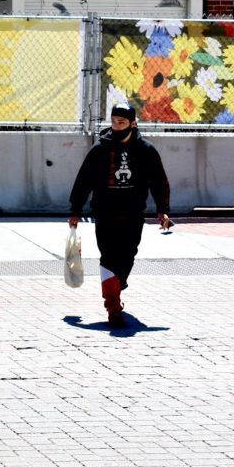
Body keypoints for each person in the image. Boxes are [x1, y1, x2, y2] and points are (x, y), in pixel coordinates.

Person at [68, 104, 172, 328]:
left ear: (133, 124)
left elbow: (159, 181)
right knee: (108, 258)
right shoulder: (100, 150)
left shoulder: (146, 150)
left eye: (122, 123)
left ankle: (116, 284)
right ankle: (113, 308)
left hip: (133, 215)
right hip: (105, 214)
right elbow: (83, 180)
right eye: (114, 122)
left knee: (127, 259)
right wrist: (75, 210)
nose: (116, 127)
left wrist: (162, 209)